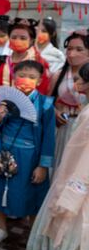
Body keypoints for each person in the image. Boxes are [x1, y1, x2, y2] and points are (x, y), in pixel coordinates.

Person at [27, 61, 89, 250]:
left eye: (81, 79)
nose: (76, 83)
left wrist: (75, 185)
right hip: (74, 170)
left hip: (80, 174)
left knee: (76, 220)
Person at [0, 60, 56, 244]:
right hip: (4, 149)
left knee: (31, 191)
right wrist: (0, 115)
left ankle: (33, 232)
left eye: (32, 77)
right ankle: (1, 227)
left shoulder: (45, 105)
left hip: (29, 155)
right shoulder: (6, 100)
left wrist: (43, 166)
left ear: (39, 81)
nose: (26, 80)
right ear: (14, 78)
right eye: (22, 75)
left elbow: (48, 138)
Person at [0, 19, 51, 181]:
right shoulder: (0, 62)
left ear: (31, 40)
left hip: (27, 125)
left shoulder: (39, 64)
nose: (18, 41)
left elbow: (44, 93)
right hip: (2, 120)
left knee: (23, 168)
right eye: (14, 36)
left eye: (23, 38)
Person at [50, 32, 89, 169]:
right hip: (63, 127)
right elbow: (48, 101)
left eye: (79, 49)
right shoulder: (58, 75)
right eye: (69, 49)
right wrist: (54, 112)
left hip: (85, 126)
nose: (72, 54)